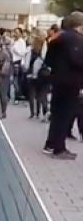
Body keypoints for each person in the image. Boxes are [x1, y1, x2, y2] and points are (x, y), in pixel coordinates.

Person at [44, 12, 83, 159]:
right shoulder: (77, 39)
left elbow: (48, 60)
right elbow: (78, 60)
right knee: (65, 115)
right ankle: (59, 149)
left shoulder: (57, 37)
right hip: (71, 82)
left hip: (57, 80)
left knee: (56, 114)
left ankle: (50, 144)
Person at [26, 35, 51, 120]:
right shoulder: (47, 52)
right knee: (42, 95)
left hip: (33, 76)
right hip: (44, 76)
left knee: (32, 94)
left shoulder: (31, 51)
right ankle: (45, 112)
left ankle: (34, 113)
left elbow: (26, 65)